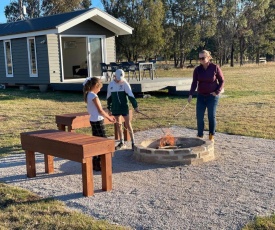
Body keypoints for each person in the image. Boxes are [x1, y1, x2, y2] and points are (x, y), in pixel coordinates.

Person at [188, 50, 224, 142]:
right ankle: (200, 135)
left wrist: (217, 92)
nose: (201, 60)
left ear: (208, 57)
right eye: (199, 58)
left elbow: (221, 81)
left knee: (211, 116)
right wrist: (191, 94)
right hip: (201, 96)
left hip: (212, 97)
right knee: (199, 116)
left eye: (203, 58)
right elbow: (194, 83)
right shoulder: (197, 69)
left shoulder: (215, 67)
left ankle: (211, 135)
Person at [83, 77, 116, 171]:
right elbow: (100, 110)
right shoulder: (93, 96)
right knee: (104, 143)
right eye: (99, 87)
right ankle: (104, 164)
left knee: (96, 142)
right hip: (98, 121)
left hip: (93, 120)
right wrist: (109, 117)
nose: (100, 89)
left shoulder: (88, 94)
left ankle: (96, 163)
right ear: (95, 86)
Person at [107, 69, 139, 150]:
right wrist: (109, 108)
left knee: (128, 124)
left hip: (124, 107)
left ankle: (133, 142)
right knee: (118, 124)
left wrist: (135, 106)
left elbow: (131, 95)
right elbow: (109, 97)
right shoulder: (111, 84)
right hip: (115, 107)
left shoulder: (125, 84)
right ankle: (121, 142)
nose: (119, 80)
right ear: (115, 76)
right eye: (118, 78)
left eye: (120, 79)